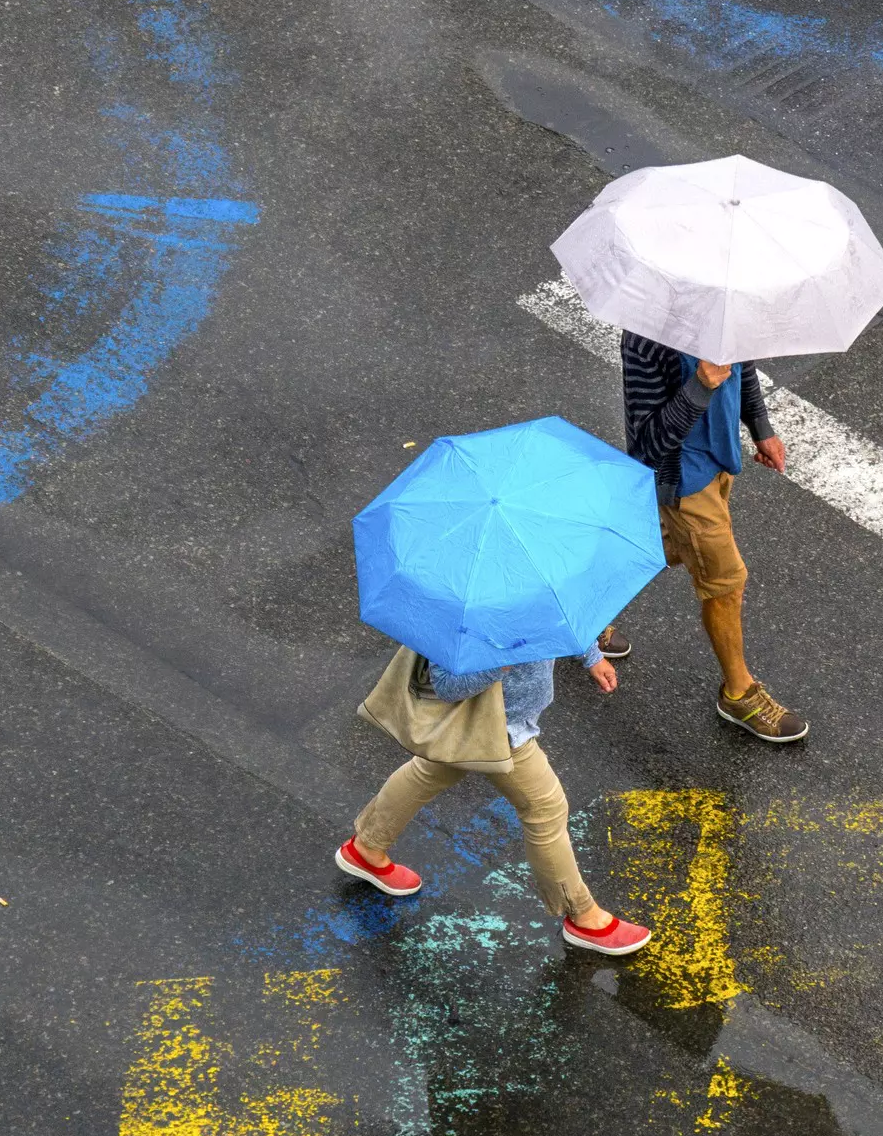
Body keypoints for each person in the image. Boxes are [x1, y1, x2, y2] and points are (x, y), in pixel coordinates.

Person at [333, 642, 650, 955]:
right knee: (545, 809)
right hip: (497, 728)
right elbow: (447, 685)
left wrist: (590, 656)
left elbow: (558, 617)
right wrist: (502, 661)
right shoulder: (467, 609)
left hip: (502, 720)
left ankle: (367, 849)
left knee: (429, 772)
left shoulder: (527, 591)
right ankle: (584, 917)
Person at [601, 331, 809, 743]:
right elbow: (646, 446)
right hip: (684, 481)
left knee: (654, 545)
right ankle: (738, 694)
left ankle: (577, 612)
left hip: (719, 464)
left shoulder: (722, 309)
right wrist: (701, 385)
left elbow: (743, 365)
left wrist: (760, 427)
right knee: (725, 583)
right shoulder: (646, 340)